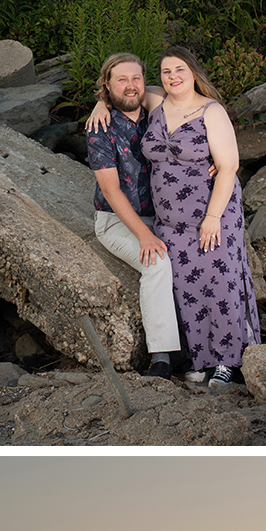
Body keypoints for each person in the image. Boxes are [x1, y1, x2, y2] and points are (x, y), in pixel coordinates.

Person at [90, 46, 259, 389]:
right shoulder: (157, 103)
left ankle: (228, 361)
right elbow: (127, 91)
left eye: (180, 69)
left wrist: (213, 217)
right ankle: (201, 360)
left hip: (211, 213)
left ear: (193, 71)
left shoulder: (211, 111)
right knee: (189, 288)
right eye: (166, 71)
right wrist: (101, 103)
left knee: (221, 281)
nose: (173, 77)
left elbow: (229, 167)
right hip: (169, 222)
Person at [86, 52, 183, 381]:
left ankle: (209, 351)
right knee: (156, 262)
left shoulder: (157, 114)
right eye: (121, 80)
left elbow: (177, 94)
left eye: (136, 78)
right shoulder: (100, 128)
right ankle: (162, 358)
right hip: (116, 220)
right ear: (107, 85)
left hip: (164, 216)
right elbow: (110, 190)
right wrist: (144, 235)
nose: (130, 86)